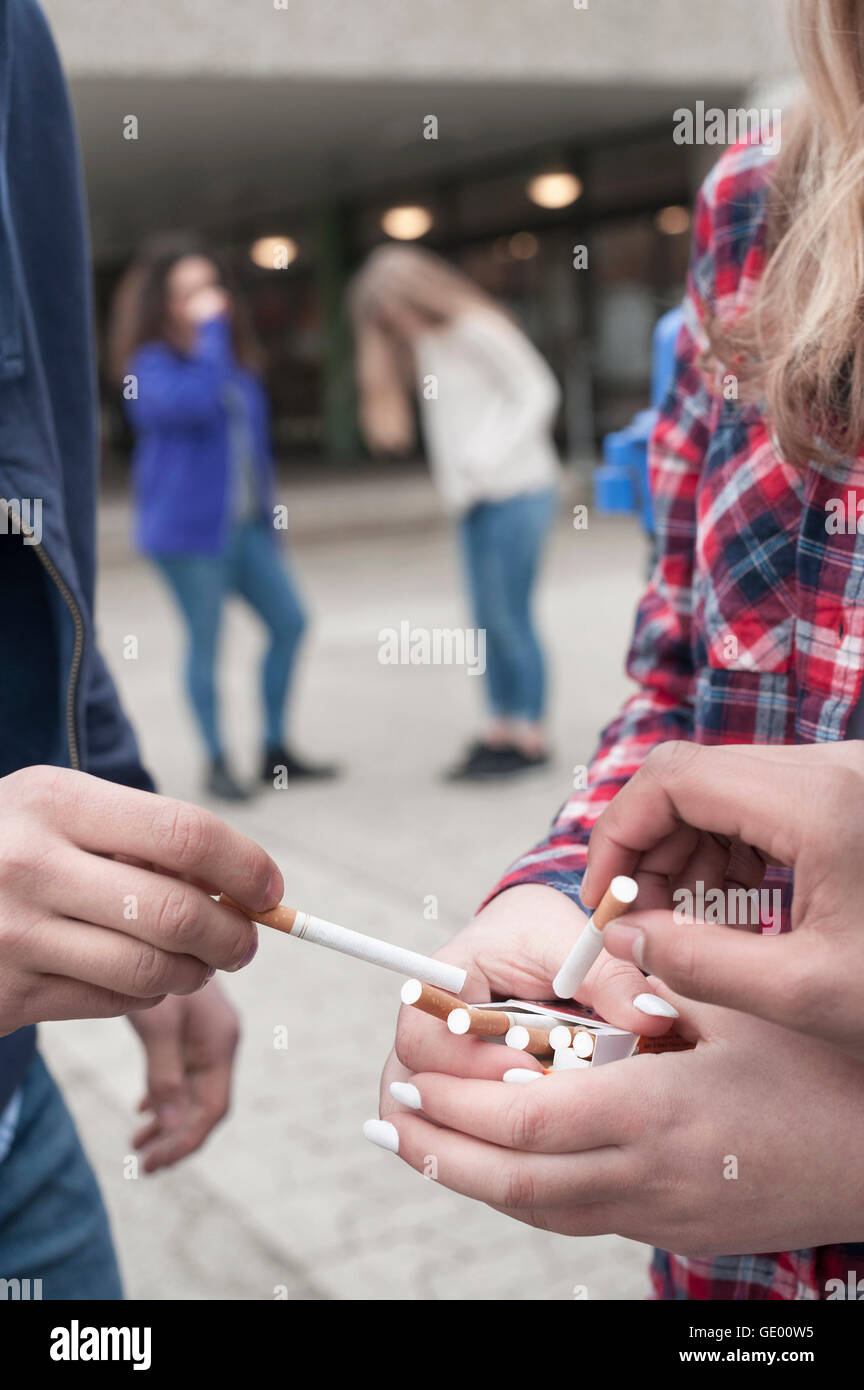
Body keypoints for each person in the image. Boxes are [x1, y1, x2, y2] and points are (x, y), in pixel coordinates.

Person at [369, 0, 864, 1300]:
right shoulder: (758, 203)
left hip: (505, 495)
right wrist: (555, 892)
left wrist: (843, 1140)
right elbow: (684, 686)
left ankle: (510, 721)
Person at [0, 0, 282, 1298]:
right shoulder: (161, 363)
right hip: (186, 531)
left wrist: (126, 868)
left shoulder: (13, 37)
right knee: (216, 650)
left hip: (15, 1119)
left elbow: (32, 543)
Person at [109, 244, 337, 800]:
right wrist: (211, 333)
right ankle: (216, 761)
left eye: (212, 286)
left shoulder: (234, 364)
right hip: (186, 533)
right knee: (206, 644)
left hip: (246, 528)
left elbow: (255, 454)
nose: (207, 299)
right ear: (162, 304)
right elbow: (193, 405)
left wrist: (271, 523)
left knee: (290, 622)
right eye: (189, 291)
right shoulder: (150, 367)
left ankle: (275, 749)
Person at [350, 245, 561, 780]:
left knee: (510, 616)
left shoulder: (476, 328)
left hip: (518, 490)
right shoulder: (427, 345)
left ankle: (530, 735)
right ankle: (499, 727)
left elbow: (538, 391)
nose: (395, 324)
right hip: (472, 501)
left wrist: (486, 456)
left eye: (395, 310)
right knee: (485, 622)